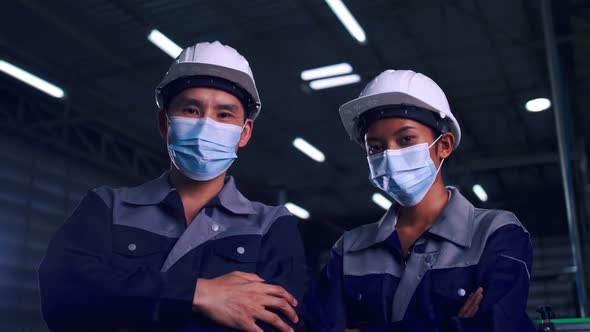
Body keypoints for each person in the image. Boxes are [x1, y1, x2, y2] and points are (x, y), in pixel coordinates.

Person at [39, 41, 306, 332]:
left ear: (244, 133)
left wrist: (125, 299)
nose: (206, 125)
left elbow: (279, 322)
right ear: (165, 123)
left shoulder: (271, 224)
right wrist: (199, 294)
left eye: (224, 114)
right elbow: (63, 296)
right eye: (191, 110)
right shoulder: (106, 207)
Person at [303, 70, 534, 331]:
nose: (390, 155)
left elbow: (497, 325)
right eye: (376, 147)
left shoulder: (495, 233)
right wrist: (452, 326)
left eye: (406, 139)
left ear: (444, 145)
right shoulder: (349, 249)